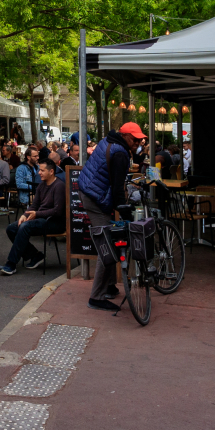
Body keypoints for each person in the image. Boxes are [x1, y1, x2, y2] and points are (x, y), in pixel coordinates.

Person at [76, 122, 141, 311]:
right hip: (96, 198)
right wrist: (125, 209)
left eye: (140, 140)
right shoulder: (120, 153)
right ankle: (96, 297)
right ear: (126, 136)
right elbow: (117, 187)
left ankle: (110, 286)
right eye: (135, 139)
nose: (138, 143)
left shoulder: (109, 140)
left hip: (90, 192)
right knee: (107, 245)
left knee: (111, 238)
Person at [0, 157, 67, 274]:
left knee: (25, 227)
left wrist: (37, 214)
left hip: (55, 222)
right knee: (11, 228)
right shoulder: (41, 185)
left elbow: (58, 211)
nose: (38, 173)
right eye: (39, 170)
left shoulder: (59, 186)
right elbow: (34, 205)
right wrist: (25, 215)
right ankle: (35, 255)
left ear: (51, 171)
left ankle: (11, 263)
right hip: (41, 219)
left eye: (42, 170)